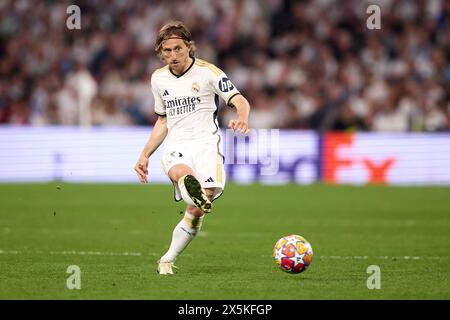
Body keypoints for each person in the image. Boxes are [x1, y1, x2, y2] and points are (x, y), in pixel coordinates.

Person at [134, 21, 251, 275]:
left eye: (178, 49)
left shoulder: (208, 73)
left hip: (207, 146)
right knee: (183, 173)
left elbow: (239, 99)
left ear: (189, 47)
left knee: (198, 207)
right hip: (177, 146)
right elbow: (163, 120)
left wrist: (242, 117)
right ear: (160, 52)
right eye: (167, 51)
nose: (173, 56)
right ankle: (189, 184)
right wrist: (145, 154)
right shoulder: (158, 79)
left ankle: (167, 258)